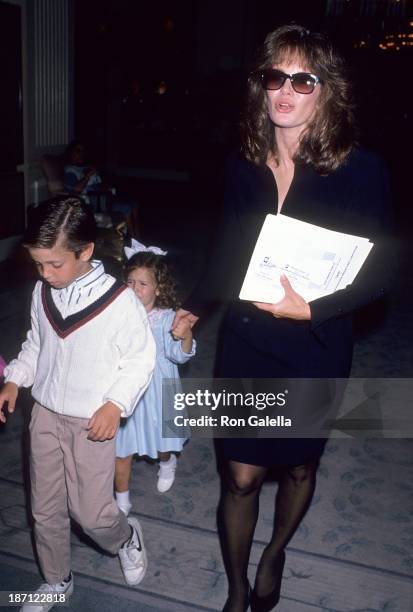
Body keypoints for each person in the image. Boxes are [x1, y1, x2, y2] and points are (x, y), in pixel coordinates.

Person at [172, 24, 393, 612]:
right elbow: (228, 243)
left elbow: (383, 271)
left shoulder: (360, 169)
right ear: (261, 87)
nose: (286, 92)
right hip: (245, 339)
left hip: (317, 343)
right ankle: (240, 586)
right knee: (239, 476)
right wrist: (196, 303)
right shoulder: (243, 163)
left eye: (303, 79)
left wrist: (314, 307)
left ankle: (275, 554)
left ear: (326, 91)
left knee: (297, 467)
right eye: (276, 78)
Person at [0, 198, 156, 612]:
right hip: (46, 413)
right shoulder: (42, 292)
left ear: (85, 251)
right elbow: (36, 344)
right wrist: (15, 378)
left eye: (54, 264)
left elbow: (140, 359)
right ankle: (57, 579)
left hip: (93, 419)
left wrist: (115, 403)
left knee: (90, 512)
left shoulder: (120, 301)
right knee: (45, 506)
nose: (45, 274)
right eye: (38, 265)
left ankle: (126, 536)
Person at [115, 240, 196, 514]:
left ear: (158, 289)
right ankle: (122, 498)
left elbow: (179, 356)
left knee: (162, 442)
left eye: (143, 284)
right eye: (130, 281)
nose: (134, 289)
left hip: (157, 390)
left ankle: (167, 461)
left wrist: (186, 336)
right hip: (126, 389)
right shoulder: (117, 316)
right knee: (121, 447)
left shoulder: (166, 318)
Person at [63, 140, 139, 236]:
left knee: (133, 203)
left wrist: (106, 187)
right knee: (127, 208)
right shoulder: (70, 170)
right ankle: (133, 238)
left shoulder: (87, 167)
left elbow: (99, 184)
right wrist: (88, 176)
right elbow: (75, 190)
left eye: (83, 151)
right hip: (93, 202)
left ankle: (138, 236)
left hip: (103, 197)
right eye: (78, 151)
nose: (81, 154)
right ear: (71, 153)